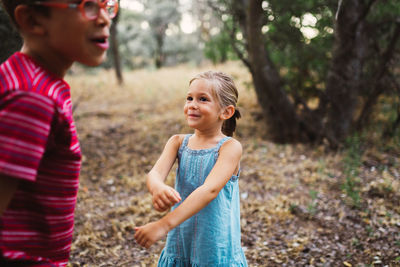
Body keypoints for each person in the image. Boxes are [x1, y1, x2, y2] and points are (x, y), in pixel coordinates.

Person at [0, 0, 118, 266]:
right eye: (88, 6)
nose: (104, 19)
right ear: (33, 20)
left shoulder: (34, 80)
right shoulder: (31, 97)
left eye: (107, 5)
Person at [134, 71, 248, 266]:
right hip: (181, 240)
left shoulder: (230, 148)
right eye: (189, 98)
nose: (192, 105)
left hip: (213, 245)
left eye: (203, 99)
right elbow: (155, 174)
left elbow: (209, 190)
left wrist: (163, 225)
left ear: (226, 112)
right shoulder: (177, 142)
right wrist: (157, 188)